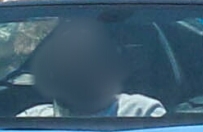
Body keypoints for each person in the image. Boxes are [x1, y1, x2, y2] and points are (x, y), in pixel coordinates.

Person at [17, 17, 165, 119]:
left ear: (109, 67)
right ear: (54, 73)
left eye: (89, 57)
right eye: (71, 60)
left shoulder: (141, 111)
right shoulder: (33, 119)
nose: (80, 68)